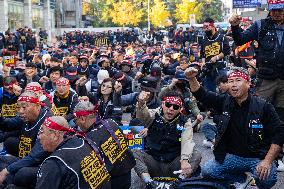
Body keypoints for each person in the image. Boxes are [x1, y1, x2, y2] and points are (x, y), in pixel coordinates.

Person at [185, 66, 284, 188]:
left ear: (248, 83)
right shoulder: (224, 101)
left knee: (268, 178)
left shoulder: (263, 106)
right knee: (208, 171)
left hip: (257, 157)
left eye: (238, 80)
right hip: (232, 156)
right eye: (230, 81)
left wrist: (267, 161)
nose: (233, 84)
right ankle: (242, 179)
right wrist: (191, 78)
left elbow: (279, 132)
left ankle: (258, 181)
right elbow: (203, 95)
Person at [133, 91, 202, 188]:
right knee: (134, 152)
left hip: (174, 166)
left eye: (175, 107)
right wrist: (141, 103)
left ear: (180, 109)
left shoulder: (186, 122)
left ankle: (178, 182)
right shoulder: (154, 114)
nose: (171, 109)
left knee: (196, 154)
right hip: (154, 163)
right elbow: (143, 116)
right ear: (162, 104)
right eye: (168, 105)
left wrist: (185, 160)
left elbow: (187, 142)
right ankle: (149, 182)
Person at [229, 0, 284, 122]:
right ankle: (258, 140)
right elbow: (240, 40)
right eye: (274, 9)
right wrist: (235, 26)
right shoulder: (260, 25)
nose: (277, 13)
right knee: (258, 111)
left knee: (281, 115)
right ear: (269, 9)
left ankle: (278, 140)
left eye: (280, 9)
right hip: (266, 79)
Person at [73, 101, 136, 189]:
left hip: (112, 182)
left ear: (83, 119)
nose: (76, 124)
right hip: (127, 172)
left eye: (75, 120)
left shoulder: (89, 139)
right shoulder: (111, 122)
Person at [36, 116, 111, 189]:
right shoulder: (83, 141)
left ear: (55, 135)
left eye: (42, 132)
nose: (39, 137)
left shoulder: (54, 163)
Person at [0, 91, 52, 188]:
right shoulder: (26, 116)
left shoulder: (48, 122)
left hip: (42, 164)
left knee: (22, 174)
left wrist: (7, 170)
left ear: (37, 106)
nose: (20, 111)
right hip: (27, 156)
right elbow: (8, 125)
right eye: (18, 107)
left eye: (24, 107)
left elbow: (35, 157)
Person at [200, 18, 230, 92]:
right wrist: (203, 63)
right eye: (204, 28)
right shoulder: (204, 39)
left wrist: (216, 57)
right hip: (208, 69)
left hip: (220, 67)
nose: (205, 29)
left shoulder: (222, 37)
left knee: (224, 89)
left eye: (207, 27)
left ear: (213, 26)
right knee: (209, 91)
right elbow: (202, 53)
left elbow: (226, 51)